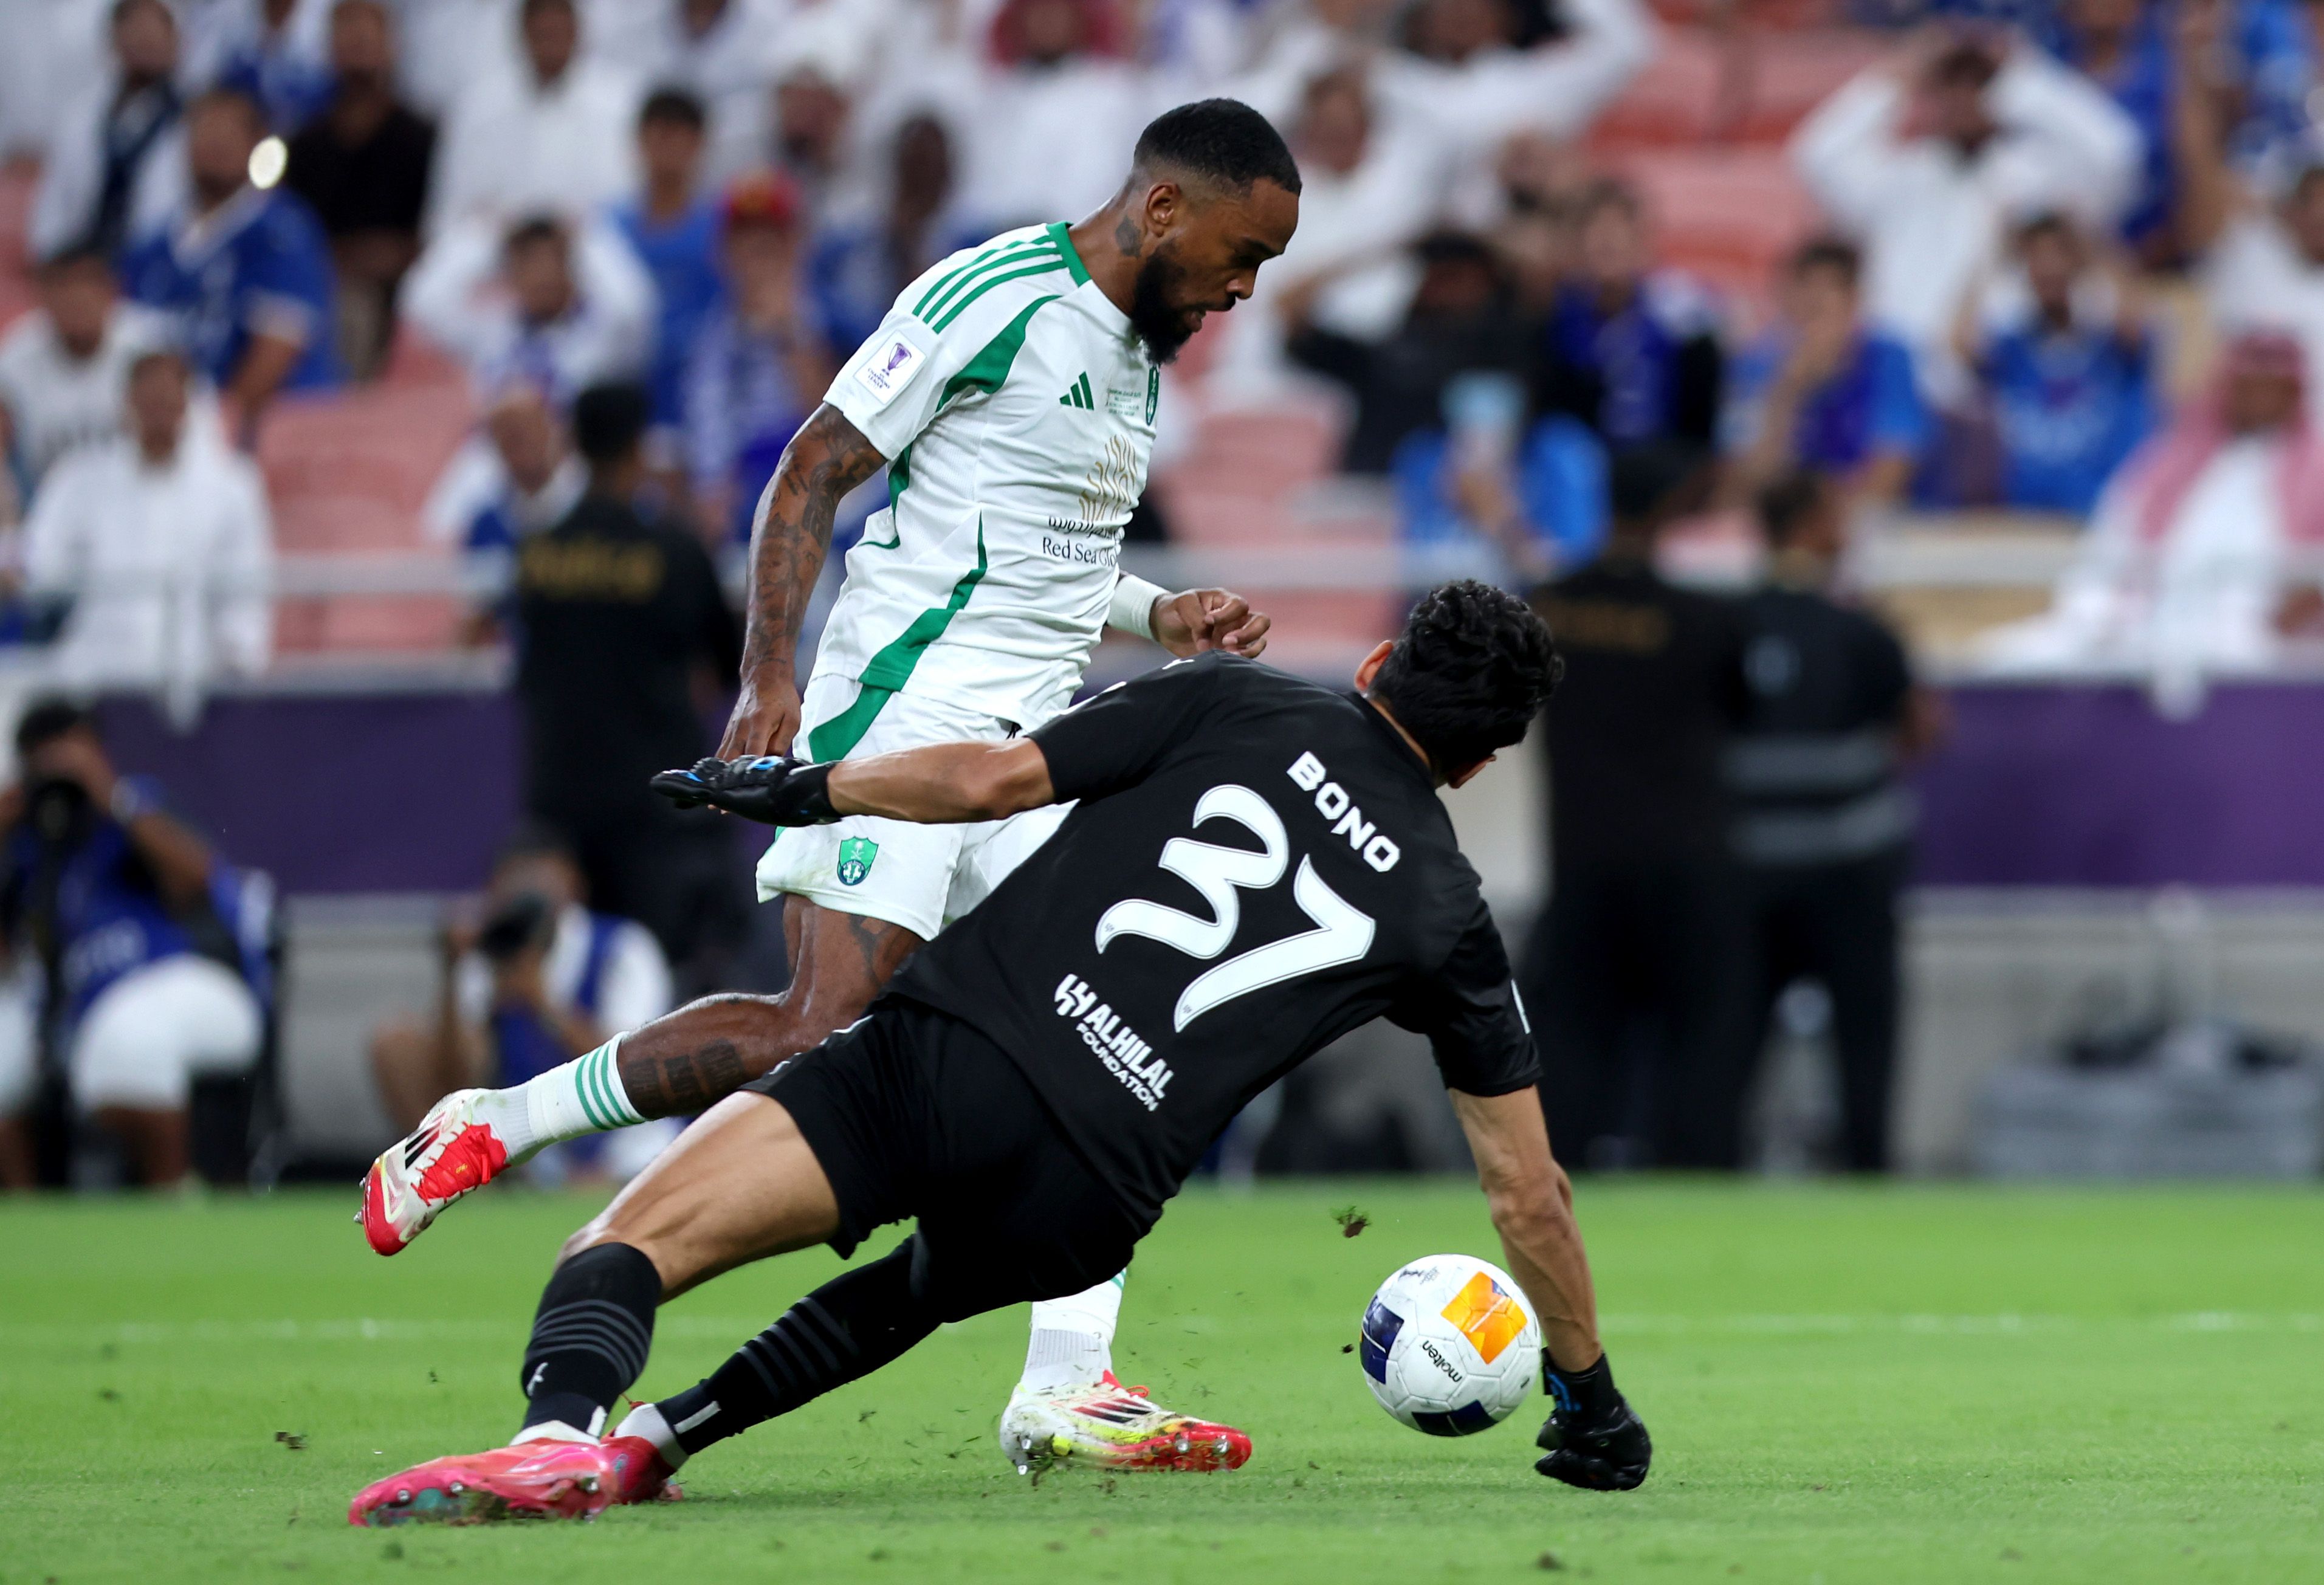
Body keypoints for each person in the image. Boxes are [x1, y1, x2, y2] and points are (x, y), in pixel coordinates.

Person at [360, 99, 1294, 1473]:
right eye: (1239, 251)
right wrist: (771, 682)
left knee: (1101, 1042)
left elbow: (1046, 559)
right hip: (903, 713)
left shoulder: (1140, 356)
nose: (1240, 286)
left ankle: (1068, 1381)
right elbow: (813, 465)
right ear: (1163, 210)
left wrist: (1163, 618)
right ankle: (494, 1121)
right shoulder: (992, 294)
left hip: (1029, 750)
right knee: (827, 1022)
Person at [348, 583, 1654, 1526]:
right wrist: (1588, 1394)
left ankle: (556, 1435)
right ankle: (656, 1439)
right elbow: (1526, 1193)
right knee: (919, 1285)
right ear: (1482, 760)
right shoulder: (1450, 917)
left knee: (625, 1246)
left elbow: (988, 783)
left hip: (962, 1053)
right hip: (1093, 1195)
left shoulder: (1234, 697)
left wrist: (809, 788)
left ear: (1375, 660)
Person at [1523, 443, 1752, 1171]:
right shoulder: (1704, 617)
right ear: (1670, 510)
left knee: (1576, 1036)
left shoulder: (1549, 606)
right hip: (1683, 852)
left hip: (1581, 850)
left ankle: (1563, 1184)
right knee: (1698, 1036)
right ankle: (1696, 1173)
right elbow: (1742, 711)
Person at [1727, 471, 1934, 1174]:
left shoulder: (1725, 624)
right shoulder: (1862, 630)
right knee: (1863, 1038)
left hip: (1746, 868)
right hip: (1849, 869)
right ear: (1814, 522)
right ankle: (1866, 1167)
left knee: (1730, 1039)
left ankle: (1709, 1167)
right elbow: (1922, 728)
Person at [504, 383, 741, 983]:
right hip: (653, 807)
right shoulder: (672, 550)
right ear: (641, 449)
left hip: (560, 801)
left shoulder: (537, 554)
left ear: (574, 446)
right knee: (651, 977)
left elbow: (528, 674)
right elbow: (733, 660)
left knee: (570, 976)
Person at [1790, 25, 2140, 406]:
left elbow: (2117, 154)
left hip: (2001, 388)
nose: (1964, 98)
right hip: (1903, 393)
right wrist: (1896, 79)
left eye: (1979, 85)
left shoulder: (2035, 174)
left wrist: (2028, 77)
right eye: (1951, 85)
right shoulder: (1903, 174)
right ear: (1932, 93)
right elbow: (1816, 159)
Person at [0, 700, 264, 1188]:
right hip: (78, 1013)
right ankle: (24, 1218)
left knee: (128, 1040)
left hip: (177, 979)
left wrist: (108, 795)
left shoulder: (136, 805)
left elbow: (200, 881)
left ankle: (176, 1197)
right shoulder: (29, 843)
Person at [1983, 331, 2324, 679]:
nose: (2260, 398)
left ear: (2294, 393)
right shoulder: (2167, 464)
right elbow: (2108, 550)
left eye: (2272, 387)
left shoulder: (2316, 474)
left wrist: (2278, 627)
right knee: (2007, 659)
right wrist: (2108, 614)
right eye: (2250, 385)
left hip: (2260, 648)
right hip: (2144, 627)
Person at [368, 826, 675, 1182]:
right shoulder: (490, 955)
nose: (530, 893)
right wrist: (452, 975)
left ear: (574, 884)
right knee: (396, 1040)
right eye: (516, 880)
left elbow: (633, 1070)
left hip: (625, 1152)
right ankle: (444, 1184)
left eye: (543, 879)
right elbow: (454, 1084)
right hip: (532, 1161)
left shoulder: (623, 948)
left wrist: (543, 1004)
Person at [19, 347, 274, 704]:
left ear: (188, 404)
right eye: (147, 400)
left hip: (194, 671)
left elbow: (246, 587)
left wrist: (240, 661)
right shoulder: (79, 478)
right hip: (95, 667)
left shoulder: (233, 485)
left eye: (168, 399)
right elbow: (39, 564)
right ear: (127, 403)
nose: (158, 411)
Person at [117, 88, 340, 436]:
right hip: (172, 427)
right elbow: (129, 346)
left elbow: (275, 354)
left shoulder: (282, 232)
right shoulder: (153, 244)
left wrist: (213, 430)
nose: (215, 146)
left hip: (272, 424)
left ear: (256, 144)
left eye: (228, 134)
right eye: (205, 131)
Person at [1287, 230, 1536, 474]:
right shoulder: (1389, 351)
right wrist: (1388, 250)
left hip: (1461, 500)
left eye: (1457, 277)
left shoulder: (1515, 347)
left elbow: (1543, 287)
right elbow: (1289, 307)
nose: (1446, 291)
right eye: (1436, 277)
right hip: (1371, 490)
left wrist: (1484, 242)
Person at [1959, 211, 2155, 515]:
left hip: (2096, 516)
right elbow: (1960, 341)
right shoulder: (2012, 348)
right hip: (2022, 517)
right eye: (2036, 257)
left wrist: (2099, 249)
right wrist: (1994, 261)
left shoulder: (2111, 346)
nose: (2049, 267)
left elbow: (2135, 322)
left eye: (2061, 254)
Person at [283, 0, 438, 379]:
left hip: (402, 289)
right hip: (322, 281)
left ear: (392, 45)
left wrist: (390, 257)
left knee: (356, 307)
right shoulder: (305, 143)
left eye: (369, 34)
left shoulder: (422, 137)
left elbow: (437, 233)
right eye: (347, 34)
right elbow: (292, 232)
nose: (358, 44)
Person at [682, 175, 831, 544]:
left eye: (769, 244)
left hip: (809, 510)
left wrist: (788, 333)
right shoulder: (706, 333)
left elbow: (839, 435)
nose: (755, 256)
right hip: (723, 515)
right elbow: (696, 438)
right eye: (743, 242)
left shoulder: (834, 317)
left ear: (794, 246)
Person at [1725, 238, 1929, 508]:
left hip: (1863, 528)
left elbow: (1891, 473)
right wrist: (1788, 394)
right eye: (1800, 312)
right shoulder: (1757, 365)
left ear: (1852, 305)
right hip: (1786, 529)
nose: (1809, 329)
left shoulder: (1888, 360)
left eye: (1820, 311)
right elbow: (1742, 484)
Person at [1536, 179, 1722, 452]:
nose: (1605, 240)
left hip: (1664, 463)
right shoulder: (1553, 316)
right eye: (1591, 230)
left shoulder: (1680, 315)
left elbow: (1703, 419)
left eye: (1617, 229)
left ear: (1642, 241)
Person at [425, 0, 639, 235]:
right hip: (498, 250)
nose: (551, 45)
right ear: (522, 34)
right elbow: (448, 214)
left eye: (558, 33)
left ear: (577, 32)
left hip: (589, 244)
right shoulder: (478, 108)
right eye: (543, 34)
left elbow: (631, 202)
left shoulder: (621, 104)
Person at [0, 247, 171, 516]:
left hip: (142, 511)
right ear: (42, 297)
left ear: (111, 292)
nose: (76, 300)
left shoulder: (152, 348)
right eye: (63, 288)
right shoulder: (14, 360)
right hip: (44, 514)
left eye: (86, 287)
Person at [609, 89, 727, 453]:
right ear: (640, 142)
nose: (668, 150)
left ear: (699, 145)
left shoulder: (720, 229)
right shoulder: (608, 229)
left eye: (680, 138)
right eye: (658, 136)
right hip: (623, 384)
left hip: (694, 393)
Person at [29, 0, 187, 262]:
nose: (144, 42)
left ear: (175, 42)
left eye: (154, 34)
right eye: (135, 32)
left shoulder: (191, 120)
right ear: (114, 41)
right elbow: (53, 206)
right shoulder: (82, 117)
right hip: (81, 267)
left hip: (151, 270)